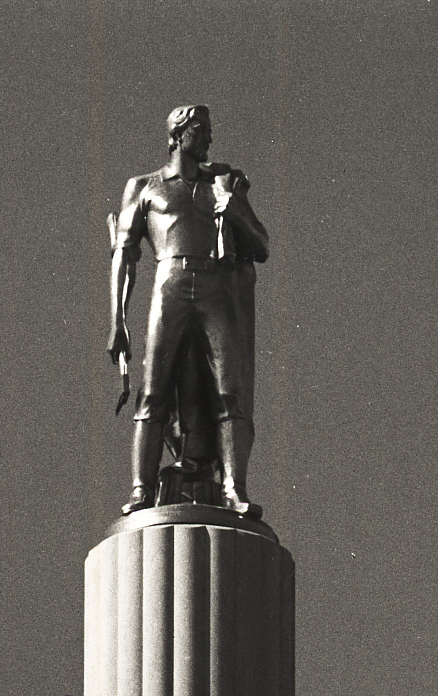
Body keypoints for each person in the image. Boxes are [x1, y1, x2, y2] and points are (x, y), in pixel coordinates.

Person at [107, 104, 270, 519]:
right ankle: (141, 490)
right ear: (180, 134)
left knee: (228, 390)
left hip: (216, 289)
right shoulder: (145, 187)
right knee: (154, 389)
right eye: (203, 131)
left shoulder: (221, 186)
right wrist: (118, 322)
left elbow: (262, 245)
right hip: (170, 283)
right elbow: (124, 256)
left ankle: (234, 488)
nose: (210, 139)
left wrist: (234, 211)